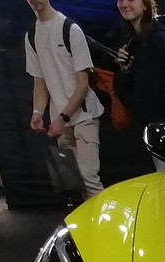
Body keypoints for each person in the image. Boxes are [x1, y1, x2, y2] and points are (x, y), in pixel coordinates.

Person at [25, 0, 106, 201]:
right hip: (60, 120)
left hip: (84, 116)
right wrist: (37, 113)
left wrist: (62, 118)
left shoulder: (70, 29)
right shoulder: (31, 36)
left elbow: (82, 85)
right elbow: (40, 83)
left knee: (88, 178)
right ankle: (90, 220)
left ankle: (107, 219)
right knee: (75, 182)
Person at [114, 0, 165, 169]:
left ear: (145, 4)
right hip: (154, 132)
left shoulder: (159, 39)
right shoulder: (134, 41)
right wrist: (125, 70)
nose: (124, 4)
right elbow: (132, 91)